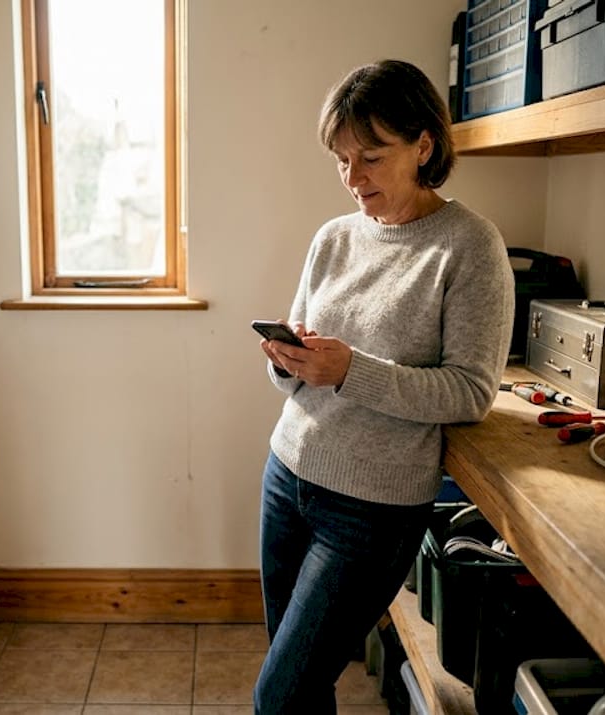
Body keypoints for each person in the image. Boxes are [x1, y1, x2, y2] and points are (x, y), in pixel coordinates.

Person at [253, 59, 514, 713]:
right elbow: (294, 372)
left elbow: (470, 391)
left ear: (425, 143)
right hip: (287, 476)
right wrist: (288, 362)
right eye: (342, 159)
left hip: (369, 511)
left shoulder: (470, 246)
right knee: (301, 685)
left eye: (370, 156)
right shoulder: (334, 238)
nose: (352, 177)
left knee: (278, 698)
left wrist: (348, 371)